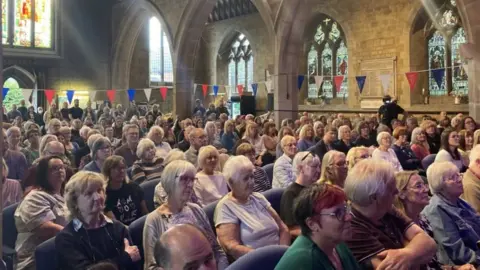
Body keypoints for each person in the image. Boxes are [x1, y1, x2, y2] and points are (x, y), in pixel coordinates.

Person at [343, 159, 437, 269]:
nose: (397, 191)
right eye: (390, 188)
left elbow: (430, 243)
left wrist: (408, 254)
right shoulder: (353, 229)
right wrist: (415, 248)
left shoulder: (387, 209)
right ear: (375, 198)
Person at [143, 160, 228, 270]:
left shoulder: (196, 210)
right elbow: (151, 267)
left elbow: (216, 250)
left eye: (192, 179)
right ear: (170, 181)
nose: (190, 184)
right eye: (184, 179)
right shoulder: (154, 220)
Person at [55, 171, 141, 270]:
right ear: (74, 202)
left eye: (99, 190)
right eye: (89, 193)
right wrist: (125, 258)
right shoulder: (66, 238)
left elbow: (135, 263)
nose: (97, 197)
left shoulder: (118, 228)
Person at [394, 170, 476, 270]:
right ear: (402, 194)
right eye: (418, 186)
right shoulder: (398, 228)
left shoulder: (422, 220)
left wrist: (456, 268)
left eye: (424, 185)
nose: (425, 190)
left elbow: (434, 264)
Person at [215, 156, 290, 260]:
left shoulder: (258, 197)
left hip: (281, 256)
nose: (251, 182)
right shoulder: (225, 207)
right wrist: (267, 258)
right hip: (257, 262)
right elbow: (231, 247)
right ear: (232, 182)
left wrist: (283, 254)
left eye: (252, 176)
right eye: (246, 178)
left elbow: (283, 228)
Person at [275, 184, 360, 270]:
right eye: (338, 213)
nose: (349, 217)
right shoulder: (305, 261)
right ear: (312, 224)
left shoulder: (337, 244)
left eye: (346, 209)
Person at [14, 156, 68, 270]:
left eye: (62, 167)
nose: (60, 170)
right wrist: (77, 236)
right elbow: (46, 228)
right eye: (54, 168)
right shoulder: (34, 197)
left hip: (64, 252)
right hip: (37, 259)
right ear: (44, 173)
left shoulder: (65, 196)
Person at [422, 161, 480, 266]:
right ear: (439, 185)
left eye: (458, 175)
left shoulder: (459, 201)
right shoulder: (436, 210)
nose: (459, 180)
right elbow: (457, 253)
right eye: (452, 178)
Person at [280, 151, 321, 237]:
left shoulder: (317, 188)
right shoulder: (290, 194)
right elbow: (291, 229)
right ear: (301, 168)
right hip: (306, 239)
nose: (318, 170)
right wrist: (319, 235)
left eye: (319, 166)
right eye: (314, 167)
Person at [102, 155, 148, 225]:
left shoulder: (134, 187)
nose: (122, 171)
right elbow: (115, 225)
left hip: (140, 226)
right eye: (117, 168)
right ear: (108, 171)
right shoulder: (105, 194)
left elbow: (145, 213)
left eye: (123, 168)